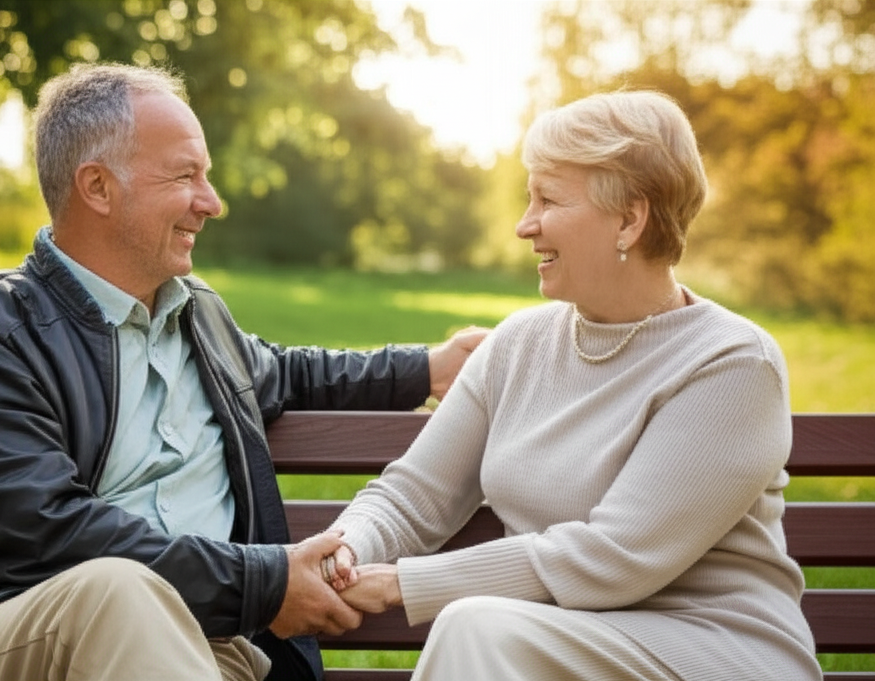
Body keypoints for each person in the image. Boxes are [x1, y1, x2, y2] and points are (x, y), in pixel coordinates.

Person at [0, 63, 487, 681]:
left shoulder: (199, 318)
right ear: (98, 187)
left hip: (205, 650)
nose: (212, 203)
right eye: (186, 176)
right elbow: (42, 535)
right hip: (26, 637)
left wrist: (430, 368)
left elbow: (292, 373)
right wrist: (264, 582)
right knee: (120, 592)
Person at [322, 90, 823, 681]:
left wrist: (404, 583)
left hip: (710, 649)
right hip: (562, 638)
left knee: (475, 628)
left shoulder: (734, 363)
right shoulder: (518, 344)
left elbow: (613, 559)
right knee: (481, 629)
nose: (523, 224)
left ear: (630, 219)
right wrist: (344, 551)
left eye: (548, 199)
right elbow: (412, 498)